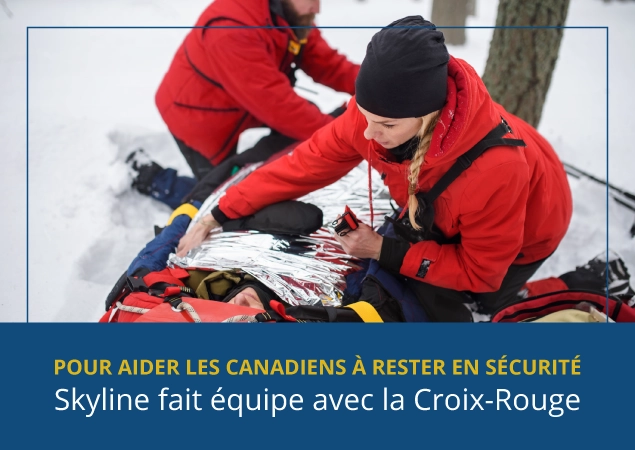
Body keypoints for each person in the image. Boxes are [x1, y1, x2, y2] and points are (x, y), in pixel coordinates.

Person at [175, 15, 573, 322]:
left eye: (385, 126)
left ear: (428, 115)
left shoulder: (494, 172)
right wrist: (222, 211)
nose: (368, 133)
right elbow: (303, 164)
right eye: (364, 115)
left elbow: (480, 271)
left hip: (533, 228)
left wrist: (384, 249)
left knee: (479, 299)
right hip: (463, 196)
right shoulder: (378, 117)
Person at [128, 0, 359, 208]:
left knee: (303, 127)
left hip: (241, 101)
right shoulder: (231, 28)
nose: (316, 8)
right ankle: (155, 179)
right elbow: (277, 105)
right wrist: (342, 137)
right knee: (218, 194)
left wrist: (376, 86)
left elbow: (328, 64)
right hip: (198, 113)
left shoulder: (291, 14)